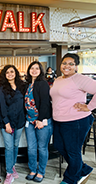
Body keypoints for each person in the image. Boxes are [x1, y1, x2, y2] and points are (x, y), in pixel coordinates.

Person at [50, 53, 96, 184]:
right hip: (59, 120)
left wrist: (89, 107)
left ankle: (71, 179)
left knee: (72, 151)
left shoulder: (80, 79)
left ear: (76, 66)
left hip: (76, 121)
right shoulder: (58, 79)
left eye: (71, 64)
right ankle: (83, 168)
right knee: (59, 146)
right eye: (64, 63)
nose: (67, 66)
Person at [24, 61, 53, 183]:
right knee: (31, 148)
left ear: (41, 70)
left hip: (42, 121)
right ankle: (32, 169)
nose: (34, 70)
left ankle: (41, 171)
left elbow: (45, 103)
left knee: (42, 147)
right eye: (32, 68)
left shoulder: (43, 84)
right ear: (29, 70)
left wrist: (41, 120)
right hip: (29, 121)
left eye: (37, 68)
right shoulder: (27, 84)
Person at [0, 65, 26, 184]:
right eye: (7, 72)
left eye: (12, 72)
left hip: (20, 121)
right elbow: (2, 107)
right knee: (9, 147)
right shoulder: (2, 88)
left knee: (15, 145)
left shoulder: (22, 86)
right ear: (4, 74)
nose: (10, 74)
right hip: (7, 121)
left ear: (15, 73)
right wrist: (6, 123)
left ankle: (13, 165)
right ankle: (9, 173)